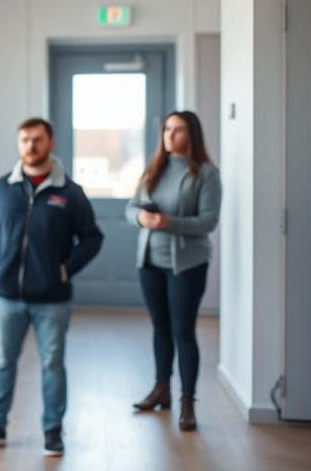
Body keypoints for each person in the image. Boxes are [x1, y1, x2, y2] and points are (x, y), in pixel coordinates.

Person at [0, 117, 103, 456]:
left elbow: (92, 238)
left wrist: (65, 270)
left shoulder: (69, 193)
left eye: (37, 139)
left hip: (52, 298)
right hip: (7, 295)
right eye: (24, 140)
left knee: (52, 363)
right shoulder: (2, 187)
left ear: (51, 143)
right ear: (18, 145)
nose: (30, 146)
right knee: (2, 359)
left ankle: (52, 430)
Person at [127, 111, 221, 431]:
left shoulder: (207, 174)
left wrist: (168, 223)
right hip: (150, 262)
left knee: (183, 331)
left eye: (178, 130)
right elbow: (131, 209)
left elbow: (208, 222)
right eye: (167, 129)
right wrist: (142, 219)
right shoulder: (154, 169)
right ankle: (161, 389)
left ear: (191, 135)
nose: (170, 136)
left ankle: (187, 401)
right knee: (160, 328)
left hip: (187, 266)